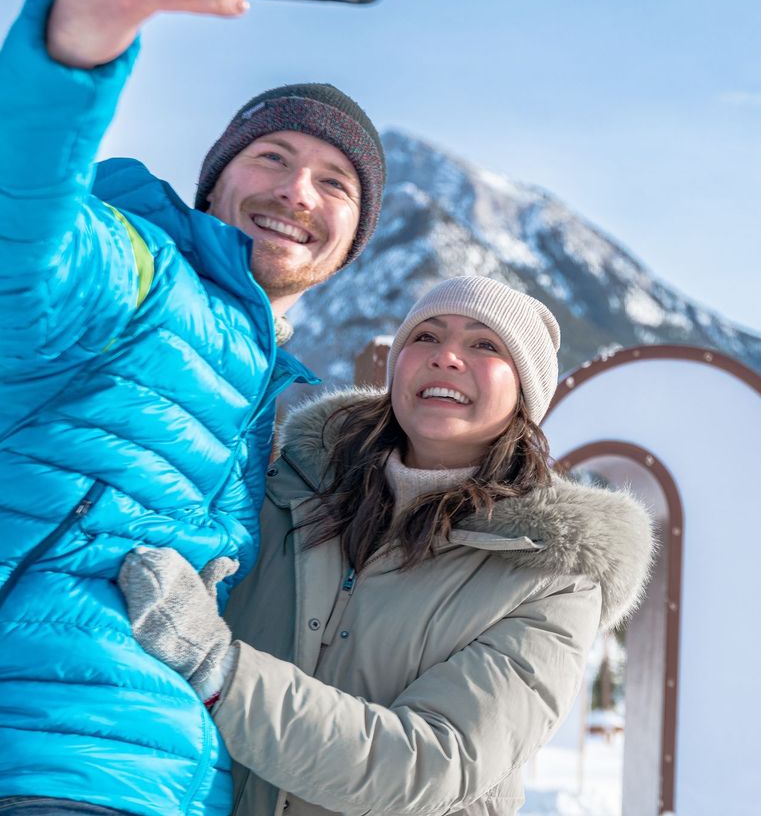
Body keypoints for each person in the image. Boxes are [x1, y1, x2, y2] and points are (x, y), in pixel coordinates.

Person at [0, 0, 387, 816]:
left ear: (347, 247)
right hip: (18, 763)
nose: (298, 191)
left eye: (337, 183)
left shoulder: (262, 391)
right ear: (216, 186)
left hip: (154, 779)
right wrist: (80, 35)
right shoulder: (132, 278)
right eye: (274, 157)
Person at [118, 276, 655, 816]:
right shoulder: (286, 490)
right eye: (426, 336)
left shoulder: (553, 576)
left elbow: (428, 766)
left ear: (526, 393)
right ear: (397, 365)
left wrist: (218, 670)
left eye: (485, 345)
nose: (446, 356)